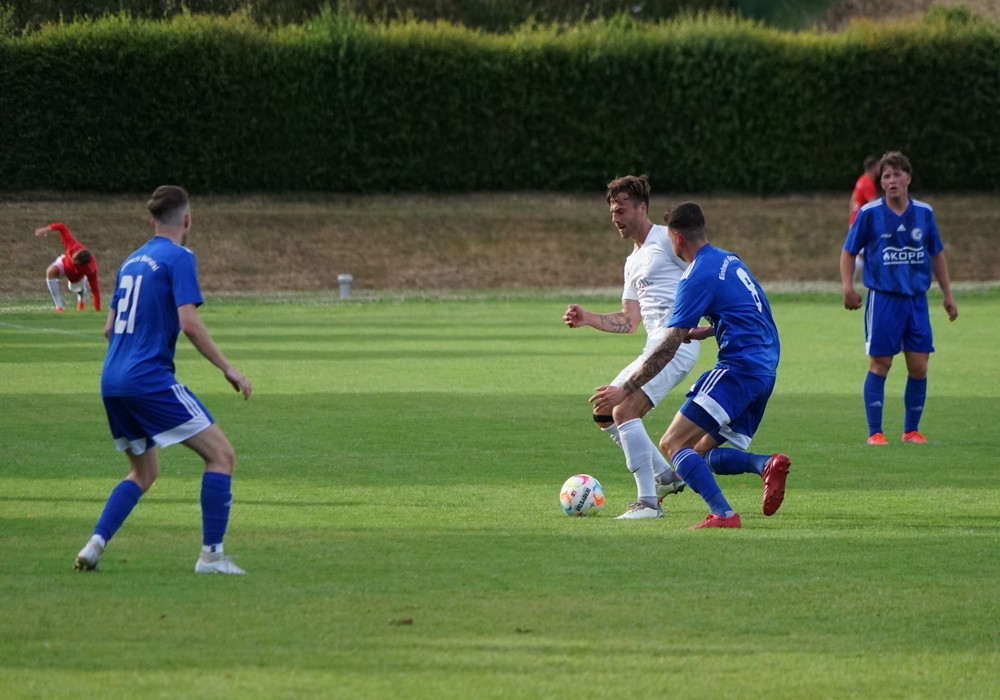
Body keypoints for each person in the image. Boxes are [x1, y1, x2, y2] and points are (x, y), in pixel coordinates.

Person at [74, 186, 253, 574]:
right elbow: (189, 323)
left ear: (151, 221)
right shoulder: (180, 257)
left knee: (144, 473)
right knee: (221, 456)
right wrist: (228, 368)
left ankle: (94, 545)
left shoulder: (131, 261)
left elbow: (109, 329)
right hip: (147, 379)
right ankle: (212, 557)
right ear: (187, 220)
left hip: (112, 380)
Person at [590, 202, 789, 529]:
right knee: (698, 452)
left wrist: (624, 391)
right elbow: (752, 312)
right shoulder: (729, 259)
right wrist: (708, 330)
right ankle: (765, 464)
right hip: (765, 370)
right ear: (704, 230)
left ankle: (723, 514)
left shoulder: (696, 276)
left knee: (672, 444)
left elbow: (667, 348)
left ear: (676, 238)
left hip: (738, 369)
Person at [564, 175, 701, 519]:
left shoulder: (667, 240)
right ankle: (665, 476)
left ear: (642, 208)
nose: (616, 218)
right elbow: (629, 320)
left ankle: (648, 503)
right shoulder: (632, 261)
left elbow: (703, 270)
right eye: (612, 212)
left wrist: (711, 320)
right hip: (653, 345)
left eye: (621, 210)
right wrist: (588, 318)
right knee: (605, 412)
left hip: (676, 344)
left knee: (623, 410)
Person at [839, 151, 958, 445]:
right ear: (881, 183)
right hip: (883, 299)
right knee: (880, 364)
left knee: (919, 366)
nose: (891, 180)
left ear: (908, 178)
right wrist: (847, 287)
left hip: (916, 300)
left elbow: (937, 254)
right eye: (886, 176)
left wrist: (947, 294)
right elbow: (849, 251)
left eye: (896, 175)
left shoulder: (924, 213)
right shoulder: (870, 214)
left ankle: (911, 431)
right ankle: (875, 432)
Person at [34, 222, 101, 312]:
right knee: (50, 272)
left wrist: (97, 310)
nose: (73, 261)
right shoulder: (72, 246)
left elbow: (95, 290)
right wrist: (46, 229)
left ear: (82, 264)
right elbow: (62, 226)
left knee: (75, 289)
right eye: (73, 258)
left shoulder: (90, 269)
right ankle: (59, 307)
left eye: (75, 262)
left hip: (76, 276)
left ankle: (81, 297)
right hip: (64, 263)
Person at [848, 156, 881, 283]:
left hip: (856, 222)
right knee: (862, 256)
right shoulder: (868, 183)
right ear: (873, 167)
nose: (880, 168)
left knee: (867, 254)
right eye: (878, 166)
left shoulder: (861, 180)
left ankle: (872, 281)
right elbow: (873, 206)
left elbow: (853, 200)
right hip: (862, 224)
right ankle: (849, 283)